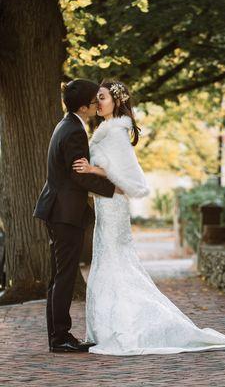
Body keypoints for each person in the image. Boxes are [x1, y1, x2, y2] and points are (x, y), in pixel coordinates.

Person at [72, 80, 225, 356]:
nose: (97, 102)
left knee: (116, 265)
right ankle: (107, 326)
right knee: (105, 264)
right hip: (104, 206)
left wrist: (94, 169)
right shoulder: (105, 132)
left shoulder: (116, 133)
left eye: (101, 97)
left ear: (115, 101)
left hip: (114, 208)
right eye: (96, 98)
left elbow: (133, 182)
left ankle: (126, 327)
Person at [33, 79, 122, 352]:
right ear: (84, 106)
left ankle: (57, 336)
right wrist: (114, 188)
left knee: (59, 276)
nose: (97, 104)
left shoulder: (66, 124)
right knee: (65, 276)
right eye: (95, 101)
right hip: (64, 212)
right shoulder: (74, 131)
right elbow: (77, 174)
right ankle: (60, 337)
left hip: (57, 209)